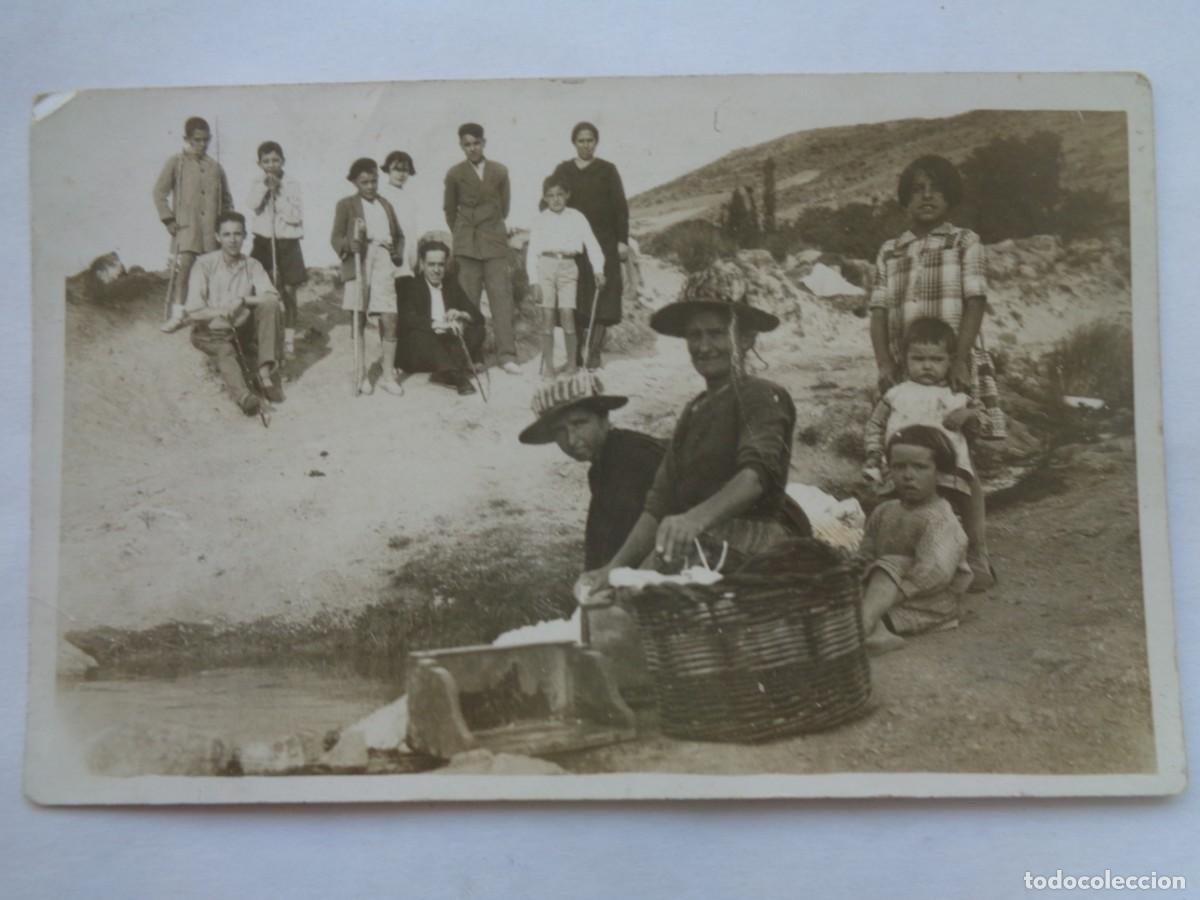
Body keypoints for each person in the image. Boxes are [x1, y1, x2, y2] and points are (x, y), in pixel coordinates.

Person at [868, 153, 996, 589]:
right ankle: (916, 548)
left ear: (950, 197)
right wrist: (885, 362)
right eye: (918, 189)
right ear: (905, 197)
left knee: (961, 462)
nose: (927, 197)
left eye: (937, 189)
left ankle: (977, 554)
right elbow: (878, 311)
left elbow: (975, 301)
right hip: (907, 370)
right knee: (909, 459)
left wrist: (959, 360)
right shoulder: (890, 250)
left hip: (950, 367)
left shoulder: (964, 242)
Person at [863, 317, 987, 562]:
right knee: (897, 512)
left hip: (946, 473)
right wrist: (873, 453)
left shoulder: (956, 396)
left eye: (936, 360)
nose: (927, 366)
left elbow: (983, 421)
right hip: (904, 468)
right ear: (905, 360)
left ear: (950, 361)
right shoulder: (896, 394)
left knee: (947, 516)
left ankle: (968, 556)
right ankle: (891, 557)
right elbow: (875, 424)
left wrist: (967, 415)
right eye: (918, 359)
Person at [518, 371, 664, 571]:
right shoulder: (602, 466)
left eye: (579, 423)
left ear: (603, 419)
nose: (571, 439)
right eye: (560, 430)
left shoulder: (631, 459)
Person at [858, 425, 974, 655]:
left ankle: (861, 627)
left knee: (890, 564)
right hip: (882, 593)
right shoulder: (885, 510)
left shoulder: (940, 519)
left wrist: (892, 595)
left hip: (926, 601)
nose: (908, 475)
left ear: (940, 472)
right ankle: (876, 632)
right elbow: (867, 551)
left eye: (920, 467)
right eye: (899, 466)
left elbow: (934, 573)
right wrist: (857, 566)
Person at [547, 122, 630, 369]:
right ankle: (575, 356)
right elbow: (549, 198)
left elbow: (620, 208)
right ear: (574, 143)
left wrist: (622, 241)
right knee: (573, 298)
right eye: (581, 141)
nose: (586, 145)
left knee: (603, 297)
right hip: (573, 244)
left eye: (590, 140)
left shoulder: (608, 170)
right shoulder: (563, 170)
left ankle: (594, 353)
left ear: (596, 142)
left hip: (603, 242)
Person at [183, 212, 282, 416]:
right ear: (217, 237)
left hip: (240, 329)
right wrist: (221, 311)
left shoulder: (252, 265)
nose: (233, 240)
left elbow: (271, 296)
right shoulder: (204, 264)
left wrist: (243, 300)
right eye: (226, 234)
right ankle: (244, 397)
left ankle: (264, 374)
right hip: (211, 332)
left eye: (237, 234)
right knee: (225, 351)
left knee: (270, 305)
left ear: (245, 236)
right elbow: (193, 310)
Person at [443, 123, 519, 375]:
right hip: (467, 246)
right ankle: (472, 357)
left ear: (484, 143)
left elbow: (504, 207)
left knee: (501, 300)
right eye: (467, 144)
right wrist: (463, 233)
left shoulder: (500, 171)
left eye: (476, 143)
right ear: (461, 146)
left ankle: (507, 356)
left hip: (494, 243)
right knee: (469, 304)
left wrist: (490, 228)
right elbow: (449, 210)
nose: (472, 148)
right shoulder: (454, 174)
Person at [331, 157, 405, 396]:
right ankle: (361, 374)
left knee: (389, 316)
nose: (370, 186)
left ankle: (387, 375)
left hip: (383, 260)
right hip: (359, 261)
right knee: (358, 316)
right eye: (365, 182)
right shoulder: (346, 205)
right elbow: (336, 237)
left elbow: (399, 236)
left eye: (374, 181)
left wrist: (396, 253)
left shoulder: (385, 205)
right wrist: (348, 245)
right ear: (355, 182)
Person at [153, 116, 233, 333]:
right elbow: (159, 192)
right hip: (187, 228)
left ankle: (210, 316)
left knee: (212, 273)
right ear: (187, 139)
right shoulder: (176, 163)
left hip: (211, 231)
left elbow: (227, 199)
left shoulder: (216, 167)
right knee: (184, 271)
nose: (202, 144)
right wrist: (168, 219)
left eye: (206, 140)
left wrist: (225, 227)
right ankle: (177, 315)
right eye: (197, 140)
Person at [525, 174, 607, 379]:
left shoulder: (577, 217)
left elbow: (592, 244)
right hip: (545, 266)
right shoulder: (540, 220)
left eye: (560, 194)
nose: (556, 199)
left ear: (567, 195)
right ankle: (549, 367)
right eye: (551, 195)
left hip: (569, 267)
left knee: (567, 314)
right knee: (547, 316)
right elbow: (532, 252)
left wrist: (598, 270)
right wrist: (533, 281)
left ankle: (571, 364)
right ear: (545, 198)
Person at [395, 240, 483, 395]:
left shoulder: (451, 284)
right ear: (422, 264)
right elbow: (407, 319)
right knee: (420, 336)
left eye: (441, 265)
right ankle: (456, 375)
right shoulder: (411, 285)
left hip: (446, 343)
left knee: (478, 330)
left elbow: (478, 317)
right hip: (421, 349)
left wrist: (460, 315)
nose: (436, 270)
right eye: (431, 264)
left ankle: (444, 372)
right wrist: (437, 324)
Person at [246, 140, 306, 358]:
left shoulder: (292, 184)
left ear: (283, 161)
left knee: (289, 291)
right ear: (259, 164)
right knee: (257, 286)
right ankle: (255, 335)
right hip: (264, 241)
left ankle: (288, 339)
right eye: (266, 161)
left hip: (288, 242)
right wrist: (265, 188)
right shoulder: (257, 182)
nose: (271, 165)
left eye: (275, 160)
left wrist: (278, 192)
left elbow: (295, 216)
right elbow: (252, 205)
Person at [380, 150, 421, 279]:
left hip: (408, 255)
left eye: (405, 170)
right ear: (388, 170)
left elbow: (411, 232)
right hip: (390, 255)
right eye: (396, 169)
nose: (401, 174)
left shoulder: (409, 199)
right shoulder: (381, 195)